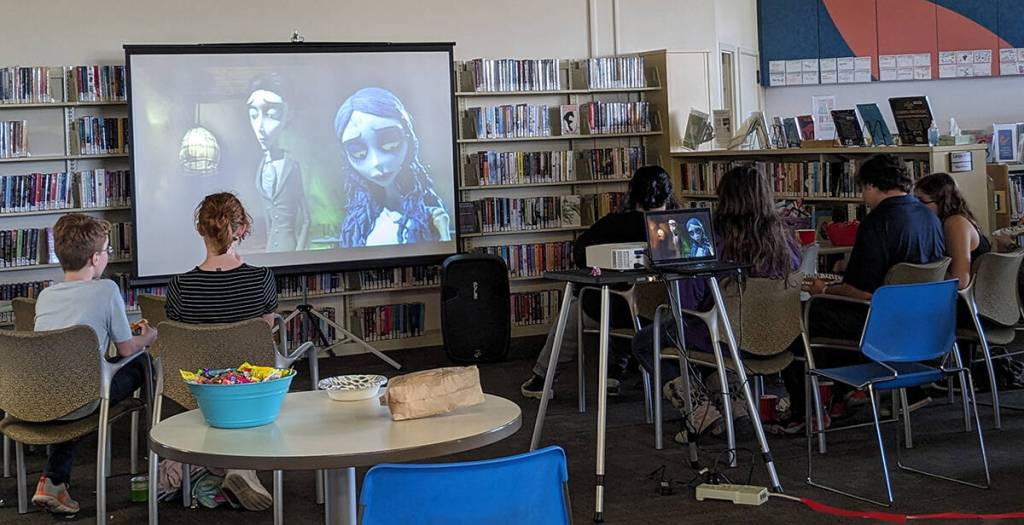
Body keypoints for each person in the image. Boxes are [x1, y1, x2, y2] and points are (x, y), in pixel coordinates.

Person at [779, 153, 946, 433]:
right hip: (924, 322)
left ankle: (805, 410)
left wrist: (826, 287)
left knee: (798, 320)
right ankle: (844, 397)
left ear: (870, 186)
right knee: (827, 317)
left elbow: (860, 291)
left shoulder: (878, 221)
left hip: (879, 324)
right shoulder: (928, 217)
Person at [631, 166, 801, 436]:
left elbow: (686, 306)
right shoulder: (784, 240)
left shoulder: (711, 238)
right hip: (776, 339)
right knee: (702, 340)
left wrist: (673, 267)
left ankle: (702, 414)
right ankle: (737, 407)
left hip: (723, 339)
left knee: (649, 340)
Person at [31, 214, 157, 515]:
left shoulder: (45, 295)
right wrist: (148, 338)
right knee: (144, 363)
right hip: (83, 398)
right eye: (107, 252)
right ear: (95, 258)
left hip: (40, 396)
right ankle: (156, 457)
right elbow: (126, 348)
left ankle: (54, 482)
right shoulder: (107, 290)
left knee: (79, 381)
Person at [520, 165, 677, 399]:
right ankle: (616, 369)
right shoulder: (678, 227)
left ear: (632, 193)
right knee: (616, 301)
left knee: (583, 303)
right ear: (668, 195)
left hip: (618, 310)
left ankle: (543, 377)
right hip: (669, 312)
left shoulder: (613, 225)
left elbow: (581, 253)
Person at [164, 192, 278, 510]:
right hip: (250, 392)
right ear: (242, 230)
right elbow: (263, 337)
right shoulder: (262, 280)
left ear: (201, 230)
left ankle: (213, 464)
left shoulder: (180, 287)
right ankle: (241, 467)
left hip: (200, 392)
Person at [334, 87, 451, 247]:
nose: (376, 162)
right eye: (358, 153)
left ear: (409, 139)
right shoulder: (359, 223)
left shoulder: (432, 216)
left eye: (390, 143)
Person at [247, 72, 310, 252]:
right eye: (253, 114)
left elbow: (306, 219)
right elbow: (268, 217)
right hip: (270, 252)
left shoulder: (293, 165)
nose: (260, 127)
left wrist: (299, 252)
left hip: (290, 249)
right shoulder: (260, 167)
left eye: (272, 114)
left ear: (288, 116)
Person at [914, 172, 990, 289]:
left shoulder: (956, 223)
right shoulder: (952, 220)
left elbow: (960, 280)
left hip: (964, 300)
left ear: (942, 201)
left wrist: (922, 275)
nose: (916, 206)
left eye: (922, 201)